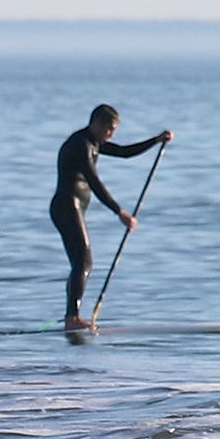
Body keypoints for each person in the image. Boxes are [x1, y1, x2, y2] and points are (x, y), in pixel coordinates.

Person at [51, 104, 173, 330]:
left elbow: (124, 152)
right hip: (67, 207)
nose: (111, 135)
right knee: (83, 262)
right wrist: (119, 211)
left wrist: (155, 140)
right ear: (97, 123)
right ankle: (72, 318)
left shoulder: (93, 143)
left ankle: (71, 315)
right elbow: (94, 181)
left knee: (80, 263)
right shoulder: (81, 144)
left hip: (71, 207)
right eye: (109, 130)